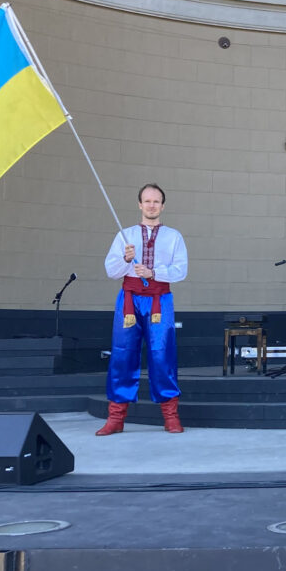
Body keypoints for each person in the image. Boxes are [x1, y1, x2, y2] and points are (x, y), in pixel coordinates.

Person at [95, 183, 189, 435]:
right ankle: (116, 417)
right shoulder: (124, 236)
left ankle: (170, 416)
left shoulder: (173, 236)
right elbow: (110, 271)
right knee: (122, 353)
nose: (151, 205)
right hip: (129, 300)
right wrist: (125, 260)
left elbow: (181, 270)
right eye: (147, 201)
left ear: (163, 205)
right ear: (139, 204)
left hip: (160, 300)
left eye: (156, 201)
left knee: (162, 354)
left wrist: (153, 272)